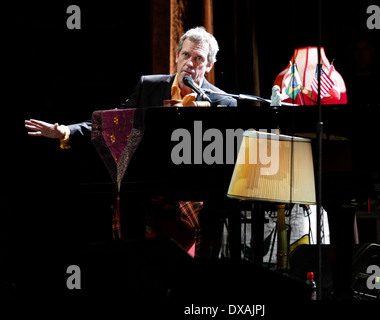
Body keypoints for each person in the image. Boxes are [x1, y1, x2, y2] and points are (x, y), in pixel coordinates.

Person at [25, 26, 237, 258]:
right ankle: (132, 273)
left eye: (198, 58)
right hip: (150, 181)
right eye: (186, 55)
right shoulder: (149, 86)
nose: (190, 63)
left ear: (209, 66)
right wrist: (66, 131)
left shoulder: (222, 101)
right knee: (126, 197)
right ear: (177, 56)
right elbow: (112, 121)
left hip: (192, 187)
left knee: (214, 206)